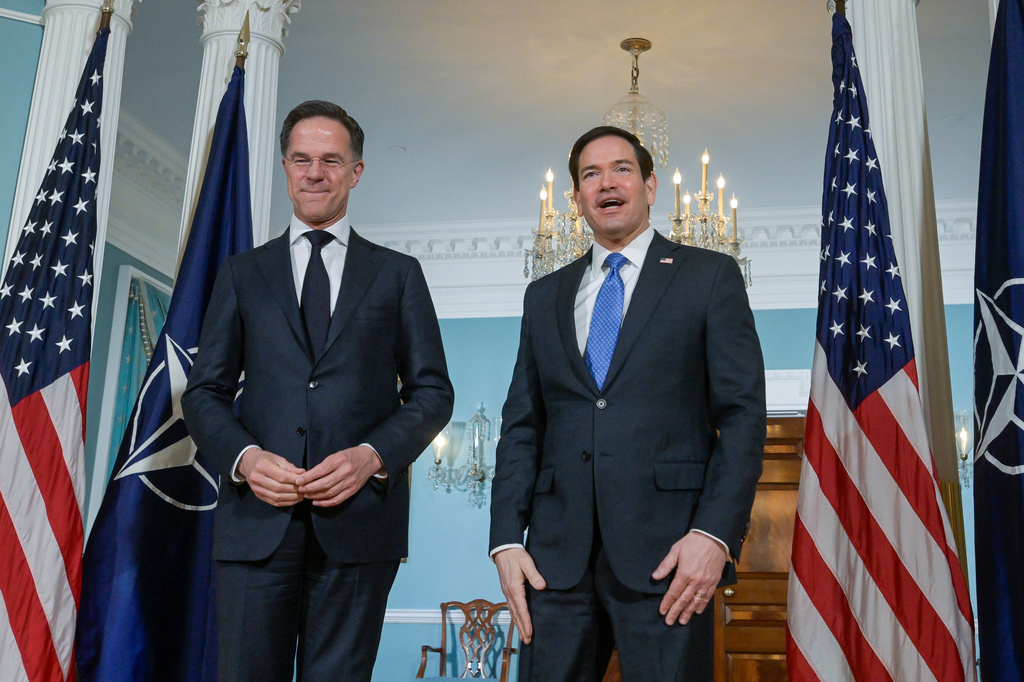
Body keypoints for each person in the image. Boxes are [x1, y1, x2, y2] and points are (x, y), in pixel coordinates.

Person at [181, 100, 454, 682]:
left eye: (331, 160)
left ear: (356, 171)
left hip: (360, 526)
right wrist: (246, 460)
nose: (314, 172)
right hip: (255, 524)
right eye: (301, 159)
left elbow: (433, 392)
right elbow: (203, 394)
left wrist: (372, 457)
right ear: (284, 167)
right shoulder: (240, 274)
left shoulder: (398, 274)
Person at [489, 126, 766, 681]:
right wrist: (504, 540)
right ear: (575, 199)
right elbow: (522, 425)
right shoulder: (544, 296)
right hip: (553, 564)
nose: (606, 183)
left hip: (670, 560)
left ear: (650, 186)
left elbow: (741, 417)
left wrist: (714, 535)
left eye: (621, 169)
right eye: (590, 175)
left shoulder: (708, 277)